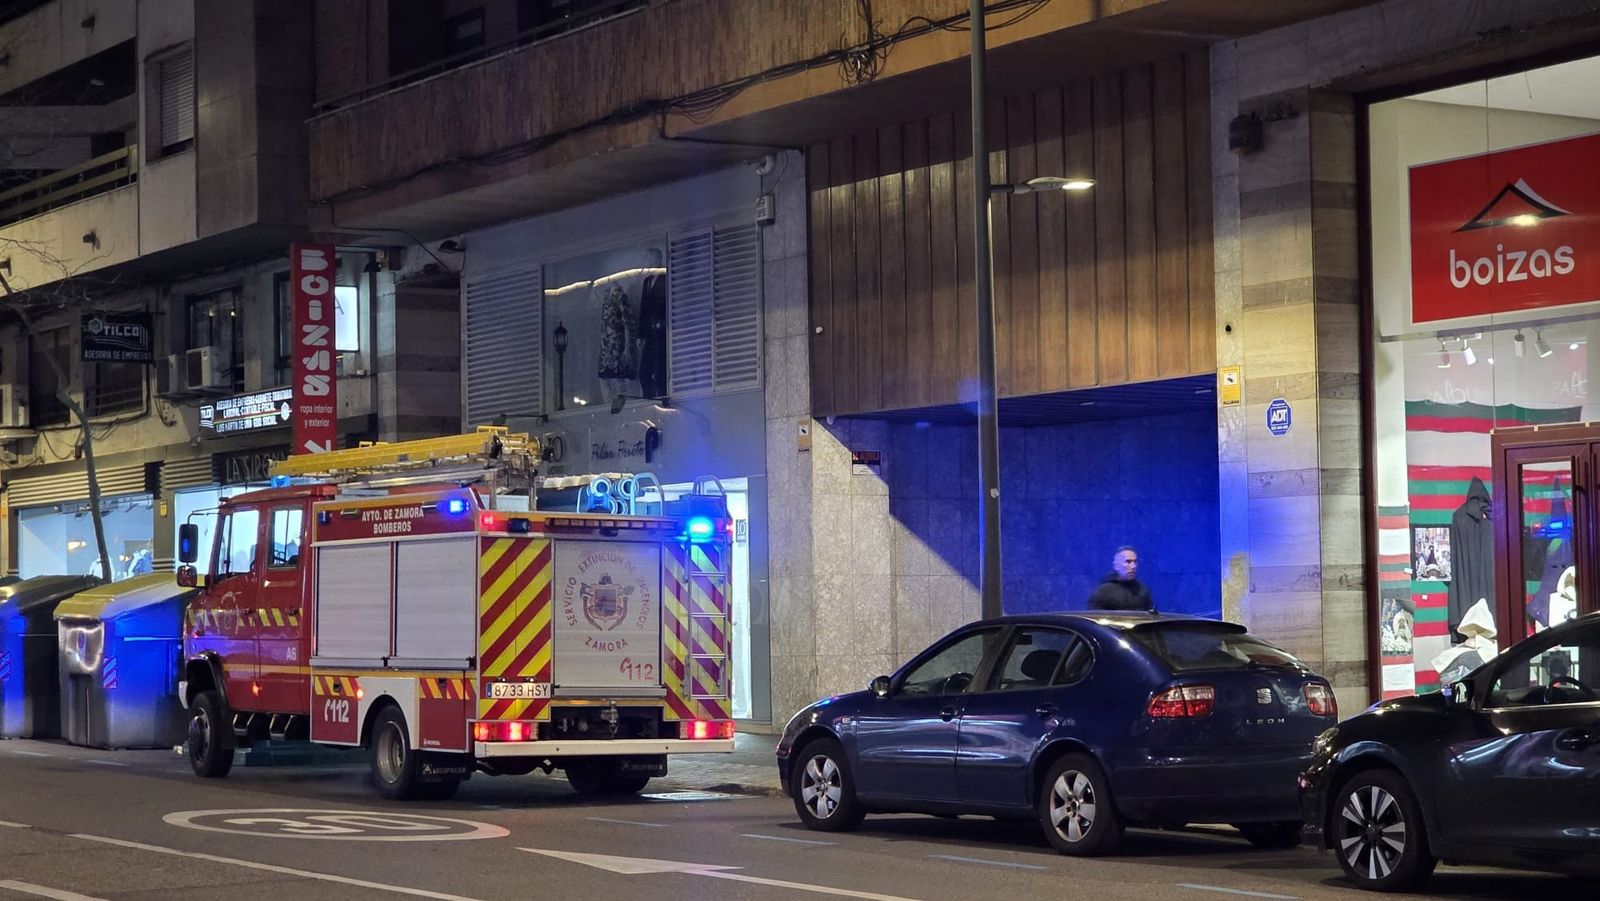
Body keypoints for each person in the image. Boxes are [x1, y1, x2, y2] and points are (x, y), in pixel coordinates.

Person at [1087, 546, 1156, 613]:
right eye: (1128, 562)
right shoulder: (1103, 592)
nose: (1133, 566)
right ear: (1116, 566)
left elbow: (1151, 616)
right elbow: (1093, 619)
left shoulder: (1143, 590)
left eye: (1135, 562)